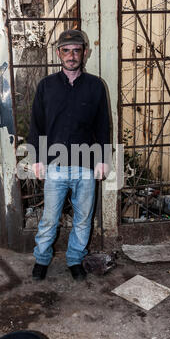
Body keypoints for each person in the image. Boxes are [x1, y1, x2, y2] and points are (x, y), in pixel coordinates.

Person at [27, 29, 110, 281]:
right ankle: (41, 259)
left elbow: (104, 125)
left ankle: (75, 259)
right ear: (58, 53)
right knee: (50, 218)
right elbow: (36, 125)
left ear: (85, 53)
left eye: (76, 50)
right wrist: (37, 159)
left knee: (83, 219)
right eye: (66, 50)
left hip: (85, 165)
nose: (71, 55)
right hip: (55, 165)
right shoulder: (46, 86)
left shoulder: (96, 86)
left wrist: (104, 160)